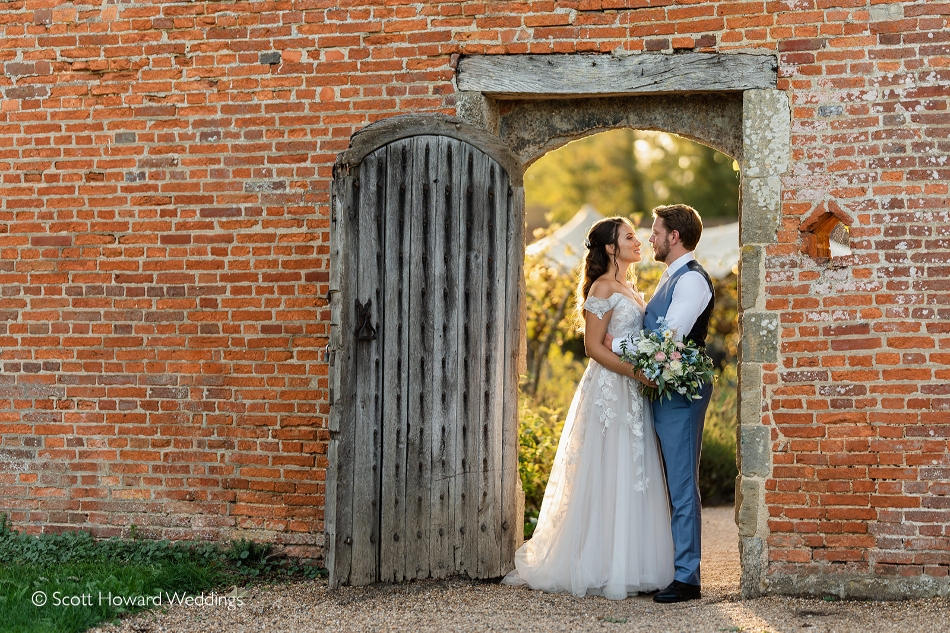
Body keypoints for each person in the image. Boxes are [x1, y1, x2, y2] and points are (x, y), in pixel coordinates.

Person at [502, 216, 674, 600]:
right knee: (606, 468)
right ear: (611, 248)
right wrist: (637, 373)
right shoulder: (602, 287)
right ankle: (596, 563)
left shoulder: (631, 287)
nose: (638, 241)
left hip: (633, 391)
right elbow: (593, 348)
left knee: (634, 469)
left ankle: (632, 562)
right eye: (629, 236)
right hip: (611, 390)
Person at [607, 204, 715, 603]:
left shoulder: (691, 282)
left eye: (655, 232)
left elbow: (665, 340)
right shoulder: (671, 277)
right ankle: (670, 566)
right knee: (666, 483)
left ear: (675, 237)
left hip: (682, 393)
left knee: (682, 484)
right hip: (665, 389)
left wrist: (611, 344)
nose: (649, 238)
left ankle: (688, 578)